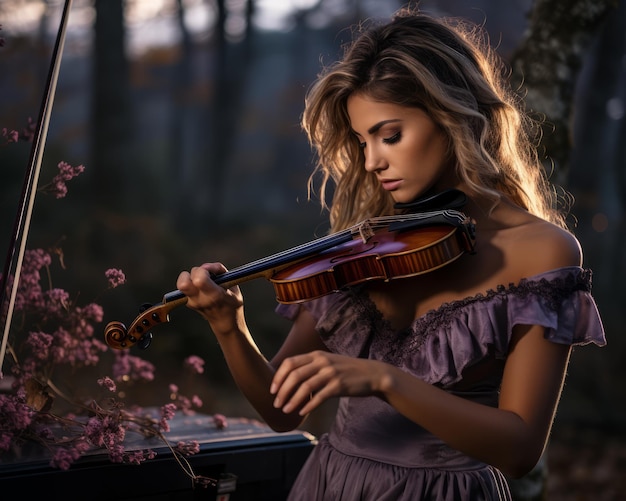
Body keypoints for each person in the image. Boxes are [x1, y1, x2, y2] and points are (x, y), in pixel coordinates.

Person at [176, 7, 606, 500]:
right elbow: (281, 412)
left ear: (453, 116)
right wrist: (230, 328)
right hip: (331, 485)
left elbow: (519, 448)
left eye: (390, 135)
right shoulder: (371, 247)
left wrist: (385, 379)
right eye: (362, 140)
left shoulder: (544, 251)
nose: (372, 161)